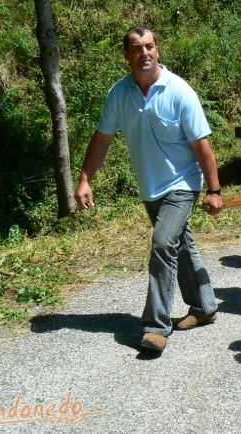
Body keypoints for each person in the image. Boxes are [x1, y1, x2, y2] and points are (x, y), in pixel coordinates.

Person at [74, 27, 223, 353]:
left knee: (162, 242)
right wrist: (85, 178)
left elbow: (202, 144)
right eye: (137, 48)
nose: (145, 53)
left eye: (150, 46)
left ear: (158, 50)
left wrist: (214, 189)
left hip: (183, 183)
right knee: (179, 244)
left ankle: (156, 326)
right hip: (150, 187)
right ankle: (204, 306)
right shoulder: (120, 93)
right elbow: (102, 138)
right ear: (126, 55)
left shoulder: (179, 91)